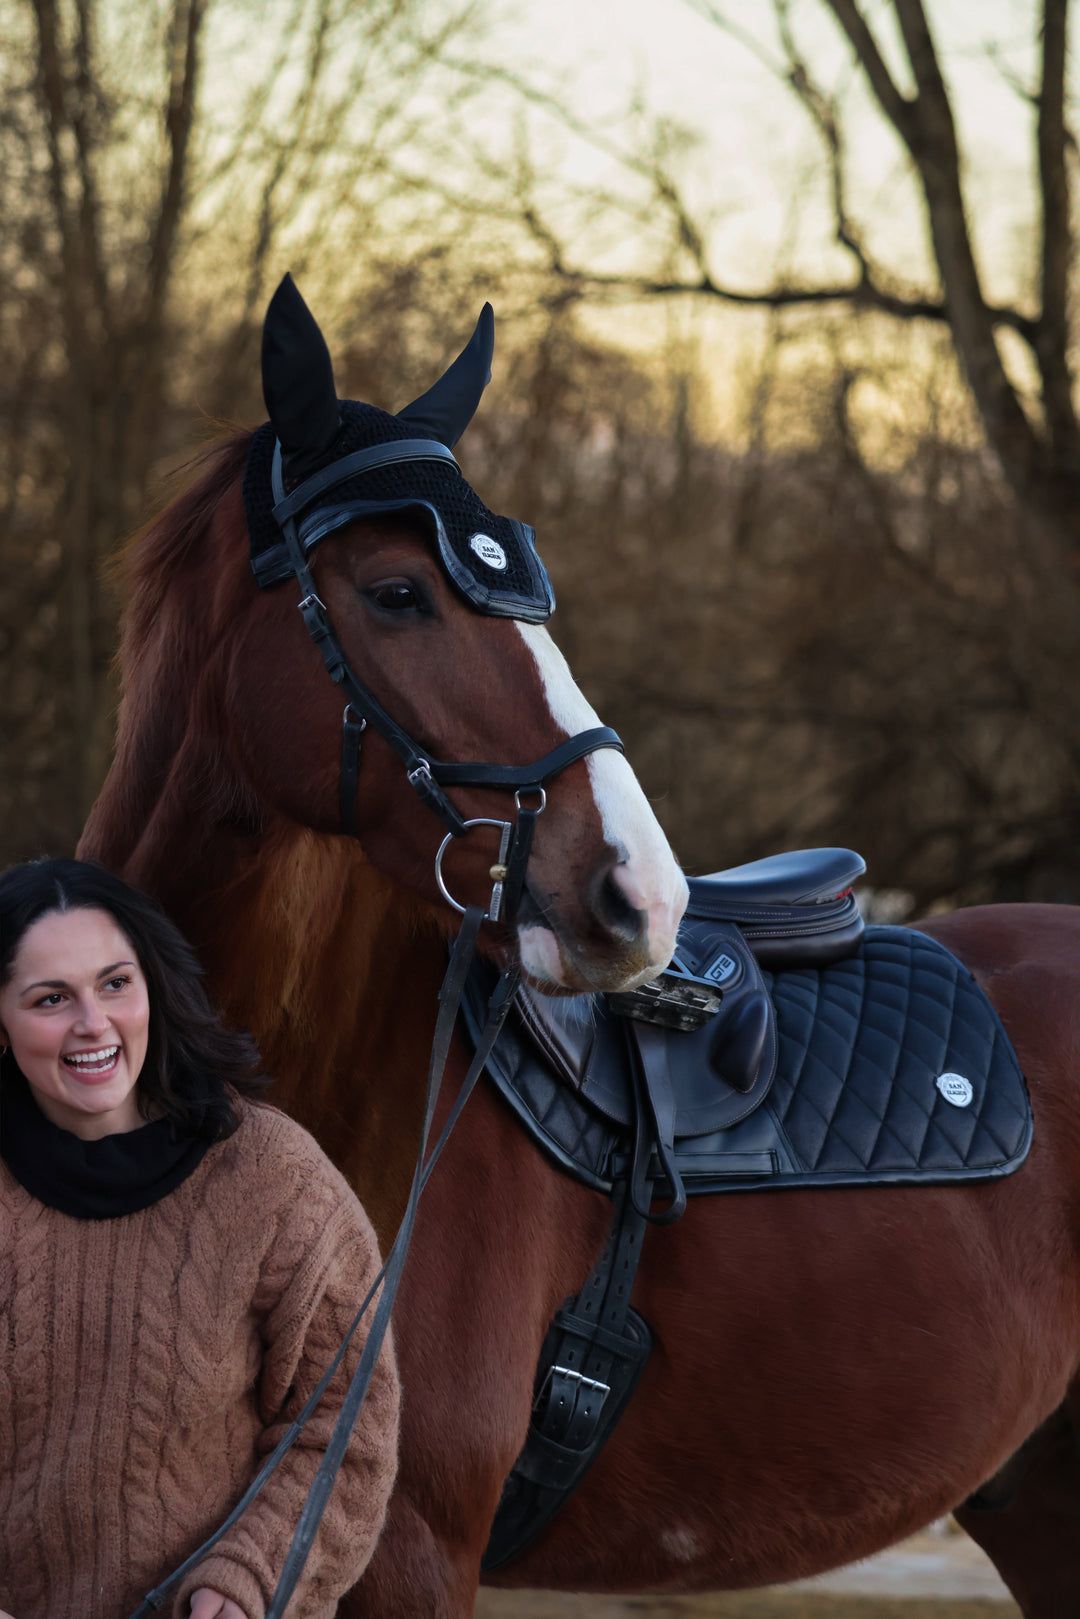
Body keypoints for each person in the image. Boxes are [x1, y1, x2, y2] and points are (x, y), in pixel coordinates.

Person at [0, 859, 399, 1619]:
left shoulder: (276, 1181)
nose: (93, 1022)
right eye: (52, 998)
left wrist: (247, 1578)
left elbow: (345, 1429)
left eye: (115, 983)